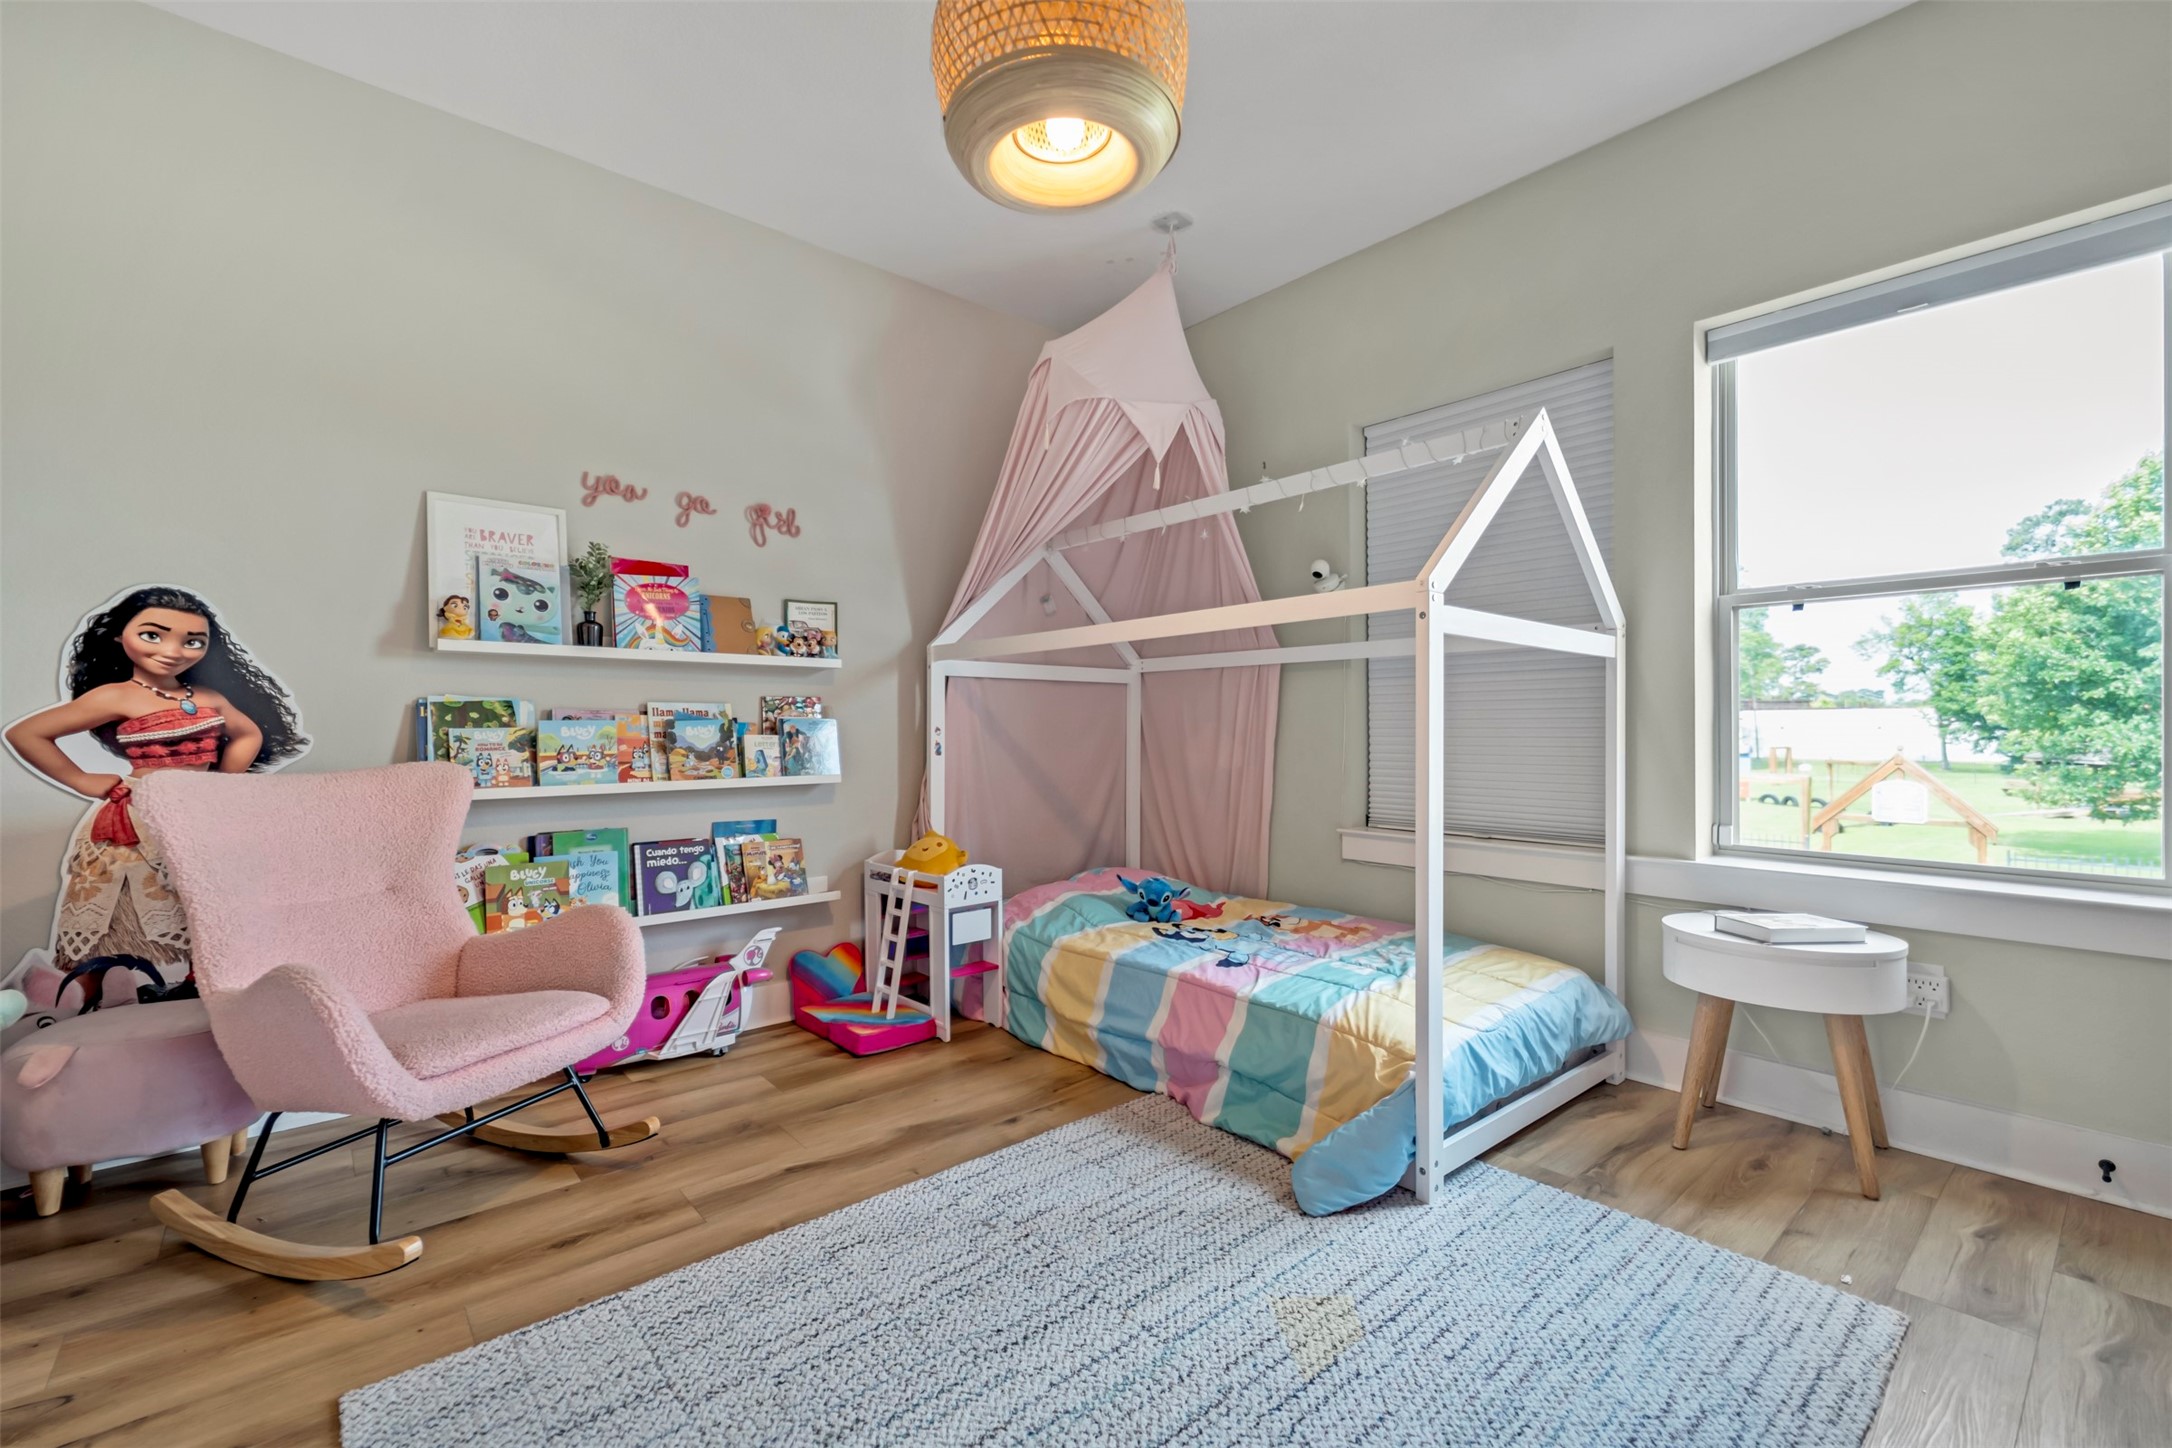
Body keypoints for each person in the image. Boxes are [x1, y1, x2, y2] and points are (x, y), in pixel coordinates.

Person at [4, 587, 307, 972]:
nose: (173, 650)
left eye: (193, 641)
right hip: (144, 815)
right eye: (153, 635)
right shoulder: (114, 696)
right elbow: (27, 733)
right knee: (129, 899)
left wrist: (226, 783)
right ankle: (92, 987)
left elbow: (247, 733)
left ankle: (204, 978)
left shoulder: (206, 695)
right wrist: (81, 779)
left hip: (203, 809)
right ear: (119, 635)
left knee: (212, 897)